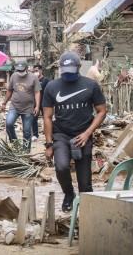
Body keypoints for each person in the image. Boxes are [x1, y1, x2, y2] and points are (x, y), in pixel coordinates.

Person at [43, 51, 107, 212]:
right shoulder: (52, 86)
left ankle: (86, 214)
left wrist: (87, 133)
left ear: (79, 67)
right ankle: (68, 193)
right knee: (62, 167)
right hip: (61, 134)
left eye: (72, 70)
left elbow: (101, 111)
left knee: (85, 183)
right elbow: (48, 117)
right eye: (66, 71)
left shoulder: (91, 85)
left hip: (83, 134)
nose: (69, 75)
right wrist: (49, 144)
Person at [1, 59, 41, 153]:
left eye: (22, 70)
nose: (20, 72)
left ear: (26, 68)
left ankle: (26, 152)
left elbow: (37, 93)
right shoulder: (14, 76)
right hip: (14, 106)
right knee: (9, 124)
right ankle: (14, 143)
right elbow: (10, 90)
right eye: (18, 70)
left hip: (28, 108)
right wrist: (4, 103)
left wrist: (37, 106)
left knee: (27, 132)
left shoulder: (33, 78)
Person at [31, 64, 50, 141]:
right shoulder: (33, 81)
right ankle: (35, 135)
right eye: (34, 71)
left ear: (41, 70)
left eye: (37, 70)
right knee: (34, 119)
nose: (36, 72)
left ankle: (49, 135)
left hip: (45, 103)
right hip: (35, 103)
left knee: (46, 119)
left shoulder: (46, 81)